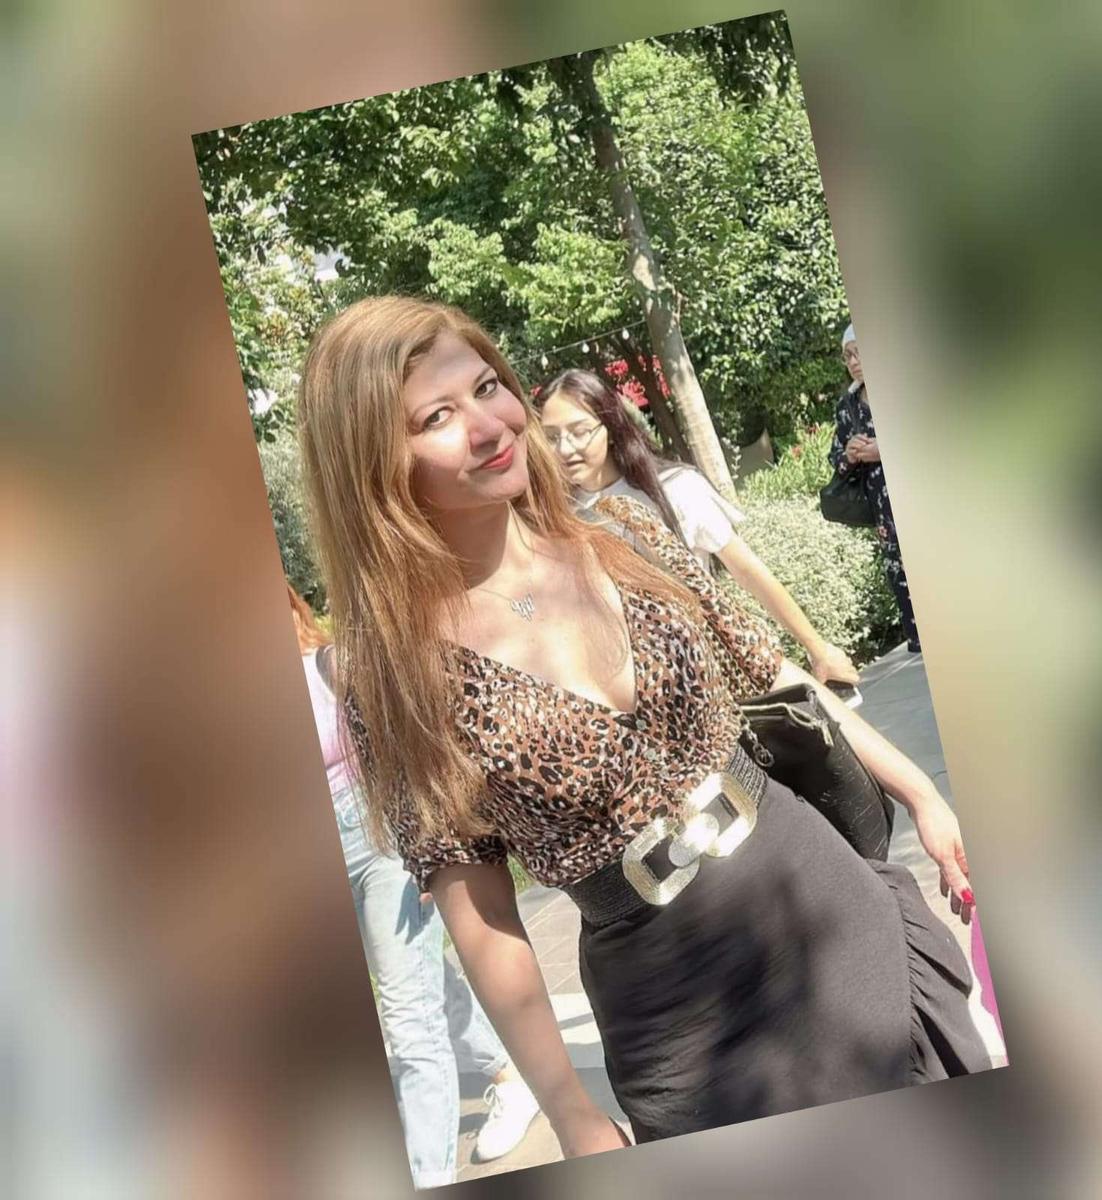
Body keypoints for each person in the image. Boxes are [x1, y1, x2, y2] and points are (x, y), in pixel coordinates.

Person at [296, 295, 989, 1157]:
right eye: (436, 417)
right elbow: (478, 909)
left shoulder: (622, 534)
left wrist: (922, 793)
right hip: (680, 1013)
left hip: (821, 900)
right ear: (373, 466)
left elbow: (773, 677)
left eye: (486, 387)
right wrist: (570, 1112)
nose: (487, 426)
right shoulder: (396, 682)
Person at [286, 583, 540, 1188]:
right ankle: (509, 1078)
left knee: (407, 1020)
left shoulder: (329, 666)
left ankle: (428, 1173)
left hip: (380, 849)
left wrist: (432, 849)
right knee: (426, 985)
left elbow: (410, 748)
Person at [536, 368, 860, 688]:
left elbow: (746, 569)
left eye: (579, 431)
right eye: (551, 437)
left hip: (705, 670)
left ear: (610, 428)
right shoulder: (560, 517)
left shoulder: (674, 488)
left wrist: (818, 649)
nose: (564, 449)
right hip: (631, 685)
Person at [828, 323, 922, 652]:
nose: (854, 361)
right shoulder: (847, 407)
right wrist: (850, 454)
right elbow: (836, 459)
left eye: (859, 352)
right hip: (887, 516)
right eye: (848, 356)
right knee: (902, 573)